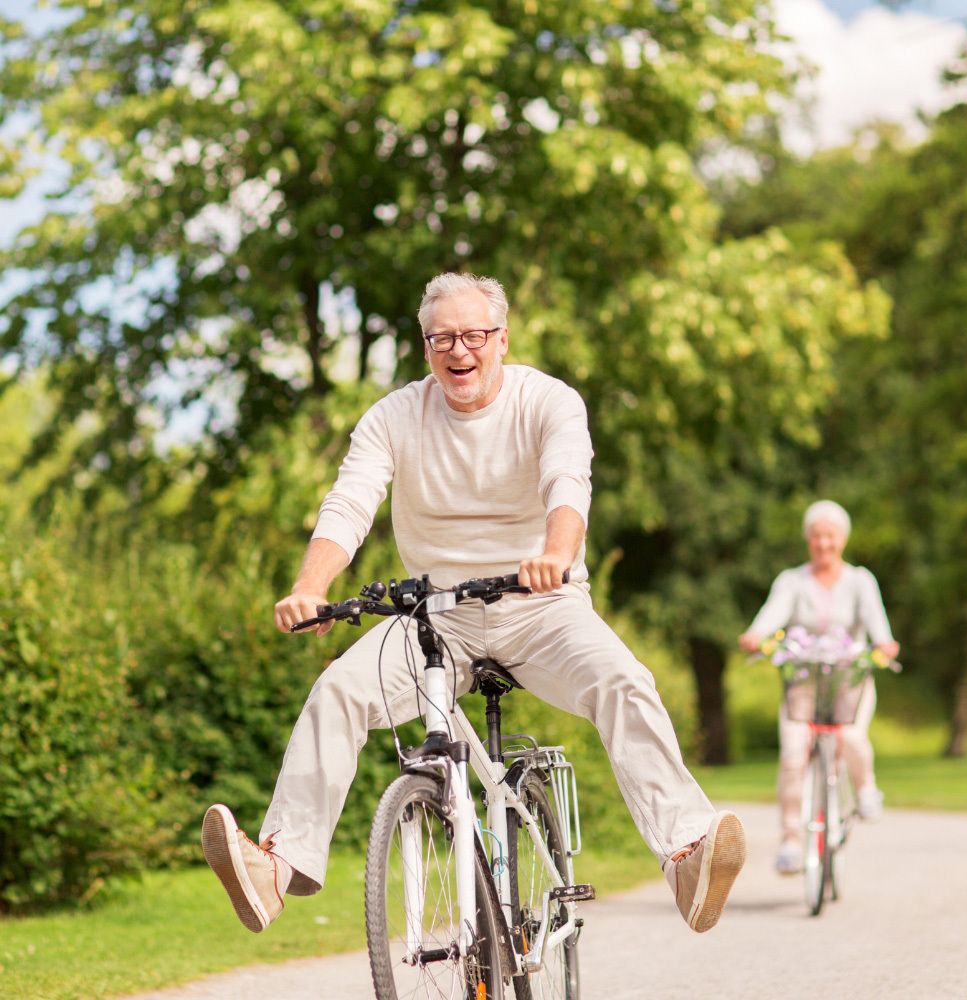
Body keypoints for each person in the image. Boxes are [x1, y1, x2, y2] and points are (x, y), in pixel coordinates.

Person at [201, 272, 746, 937]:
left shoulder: (548, 401)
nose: (459, 351)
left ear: (502, 339)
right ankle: (276, 868)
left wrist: (556, 553)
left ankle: (687, 854)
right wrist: (309, 588)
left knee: (624, 680)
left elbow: (567, 483)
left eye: (473, 336)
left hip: (542, 605)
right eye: (442, 339)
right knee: (338, 690)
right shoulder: (394, 416)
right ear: (425, 346)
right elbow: (349, 504)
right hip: (436, 616)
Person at [738, 499, 900, 875]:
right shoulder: (792, 581)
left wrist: (885, 644)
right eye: (816, 537)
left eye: (830, 536)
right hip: (804, 682)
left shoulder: (860, 581)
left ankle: (865, 789)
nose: (823, 544)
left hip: (849, 680)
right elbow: (771, 615)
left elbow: (878, 626)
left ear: (842, 539)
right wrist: (756, 635)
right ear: (808, 540)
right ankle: (792, 841)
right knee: (794, 753)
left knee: (852, 736)